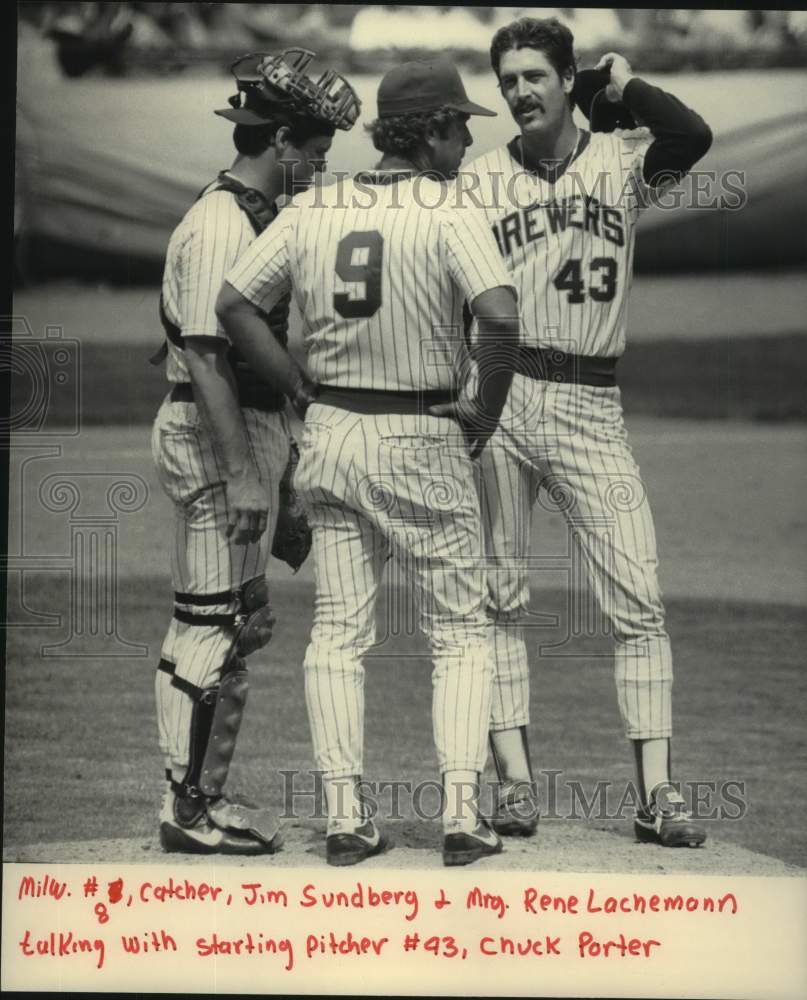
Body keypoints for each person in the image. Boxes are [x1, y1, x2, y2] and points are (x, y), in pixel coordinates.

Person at [216, 57, 520, 866]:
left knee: (339, 631)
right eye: (457, 124)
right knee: (459, 629)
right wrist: (483, 415)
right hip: (418, 433)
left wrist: (294, 386)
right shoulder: (449, 209)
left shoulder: (315, 203)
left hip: (333, 433)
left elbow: (234, 304)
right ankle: (461, 815)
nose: (463, 139)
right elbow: (498, 315)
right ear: (428, 130)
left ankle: (346, 819)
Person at [464, 17, 713, 846]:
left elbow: (692, 132)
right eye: (507, 81)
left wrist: (619, 84)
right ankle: (514, 788)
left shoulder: (623, 164)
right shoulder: (477, 178)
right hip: (503, 396)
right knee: (499, 597)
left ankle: (657, 796)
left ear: (567, 81)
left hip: (591, 408)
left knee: (637, 598)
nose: (519, 92)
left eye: (535, 76)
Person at [151, 48, 360, 854]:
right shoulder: (219, 222)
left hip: (245, 429)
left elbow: (253, 354)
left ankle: (199, 797)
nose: (317, 164)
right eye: (313, 149)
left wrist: (288, 459)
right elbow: (204, 355)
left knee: (237, 623)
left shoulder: (253, 215)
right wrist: (245, 471)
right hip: (213, 437)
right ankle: (186, 808)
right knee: (210, 623)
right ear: (280, 140)